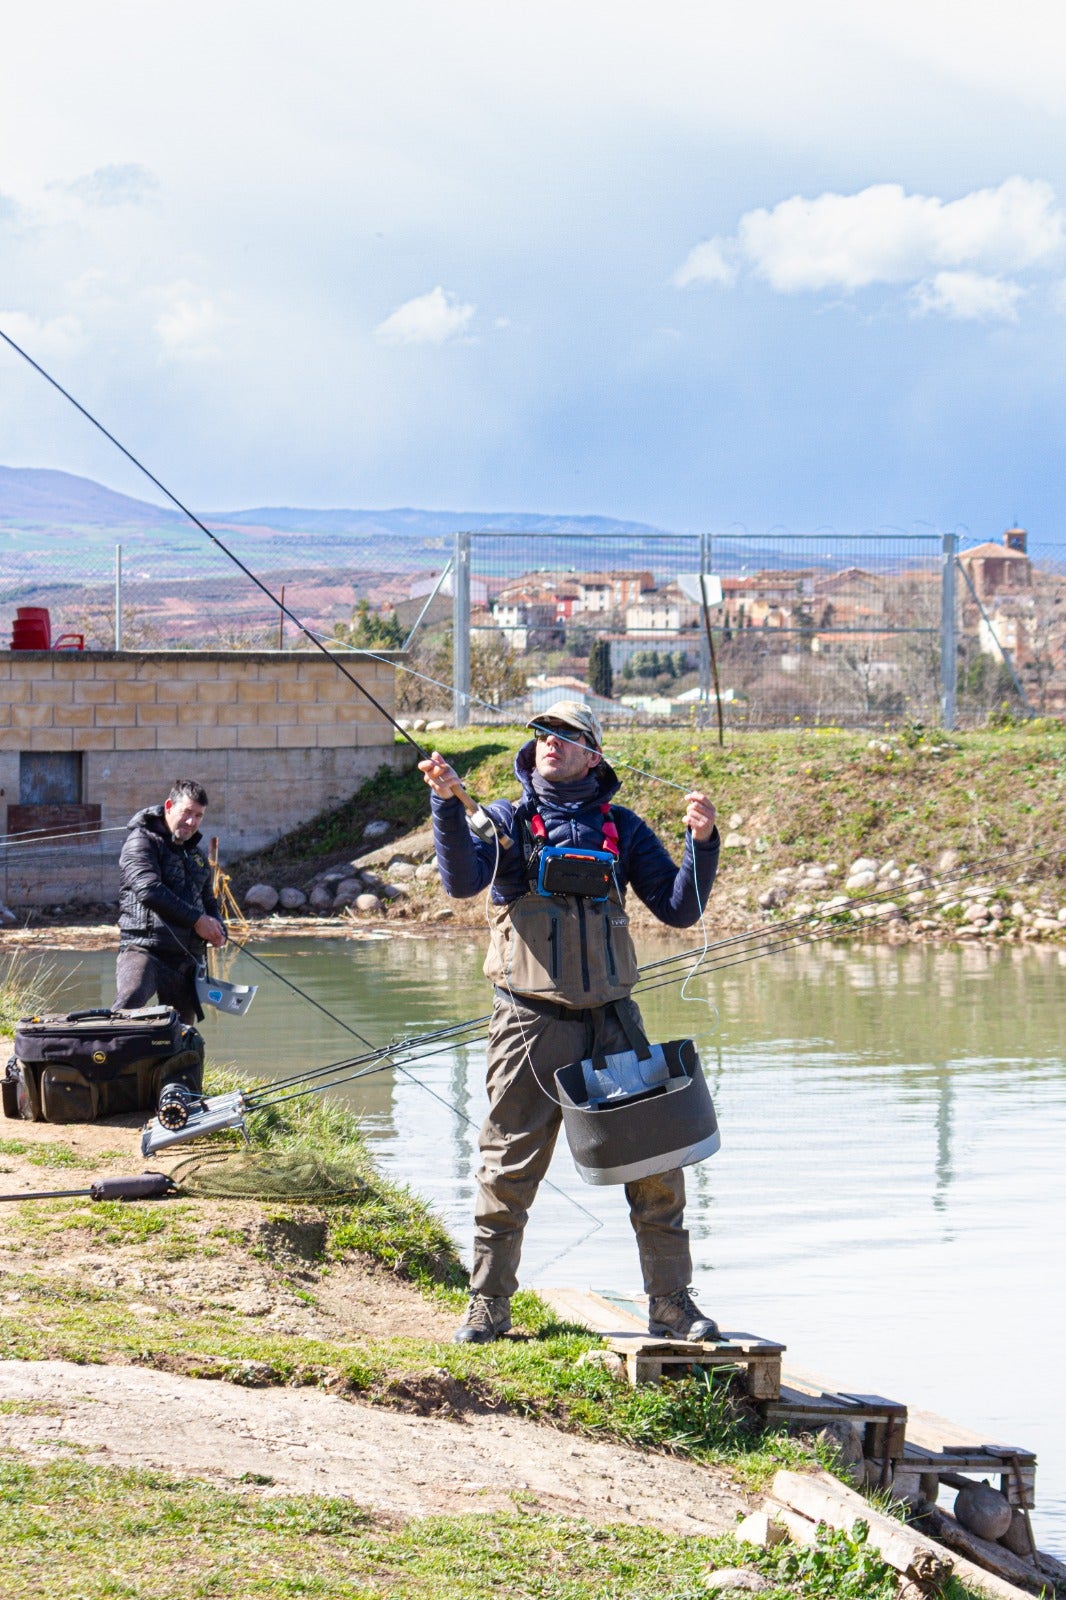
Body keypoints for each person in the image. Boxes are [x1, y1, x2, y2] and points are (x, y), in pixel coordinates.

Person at [419, 701, 720, 1346]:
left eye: (568, 736)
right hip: (529, 1023)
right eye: (543, 734)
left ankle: (671, 1304)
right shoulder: (507, 821)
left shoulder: (623, 827)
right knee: (508, 1166)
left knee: (658, 1166)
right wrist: (447, 804)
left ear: (594, 754)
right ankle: (488, 1305)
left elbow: (679, 908)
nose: (551, 743)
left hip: (615, 1021)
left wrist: (701, 846)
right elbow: (461, 881)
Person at [115, 779, 226, 1025]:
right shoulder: (141, 841)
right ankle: (100, 1059)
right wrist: (198, 921)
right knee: (126, 1009)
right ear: (169, 806)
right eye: (187, 812)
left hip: (186, 956)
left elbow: (208, 900)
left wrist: (218, 928)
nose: (191, 821)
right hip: (144, 948)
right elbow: (149, 890)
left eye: (198, 815)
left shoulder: (196, 855)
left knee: (183, 1033)